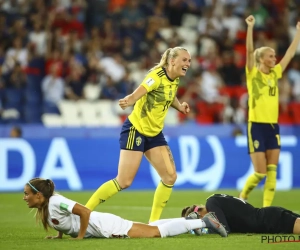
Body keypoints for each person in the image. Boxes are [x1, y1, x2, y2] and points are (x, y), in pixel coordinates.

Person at [85, 47, 191, 222]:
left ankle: (153, 224)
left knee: (170, 177)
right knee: (124, 181)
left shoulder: (175, 78)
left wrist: (179, 106)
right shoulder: (156, 76)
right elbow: (142, 89)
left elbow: (168, 95)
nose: (188, 63)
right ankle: (84, 211)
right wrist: (130, 100)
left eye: (189, 60)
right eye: (184, 60)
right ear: (172, 61)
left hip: (155, 134)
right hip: (136, 130)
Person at [23, 178, 228, 239]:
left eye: (27, 194)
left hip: (105, 226)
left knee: (155, 233)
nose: (25, 198)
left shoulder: (55, 202)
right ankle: (191, 219)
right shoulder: (49, 206)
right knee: (151, 227)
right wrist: (60, 236)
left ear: (39, 195)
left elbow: (84, 212)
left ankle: (203, 221)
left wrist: (79, 237)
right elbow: (64, 219)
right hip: (102, 226)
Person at [240, 15, 300, 207]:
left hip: (273, 127)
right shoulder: (253, 74)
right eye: (271, 56)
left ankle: (266, 211)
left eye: (275, 56)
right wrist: (250, 28)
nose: (275, 59)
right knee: (260, 173)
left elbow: (290, 54)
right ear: (261, 59)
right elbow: (249, 52)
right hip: (256, 126)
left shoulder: (275, 73)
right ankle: (243, 195)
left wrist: (298, 33)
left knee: (272, 171)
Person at [181, 194, 300, 235]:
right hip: (269, 217)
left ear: (199, 213)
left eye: (200, 219)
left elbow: (224, 229)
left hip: (270, 221)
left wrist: (202, 231)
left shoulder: (211, 203)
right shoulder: (214, 201)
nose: (204, 222)